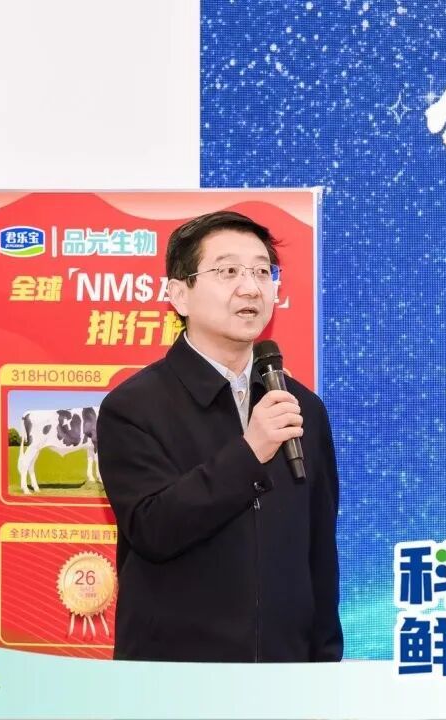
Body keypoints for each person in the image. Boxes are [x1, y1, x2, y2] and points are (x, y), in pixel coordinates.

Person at [97, 210, 343, 662]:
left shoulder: (301, 407)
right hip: (175, 676)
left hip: (286, 675)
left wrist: (324, 665)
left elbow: (319, 553)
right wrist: (250, 452)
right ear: (179, 295)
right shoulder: (132, 407)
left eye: (262, 272)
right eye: (228, 271)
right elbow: (153, 529)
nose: (250, 288)